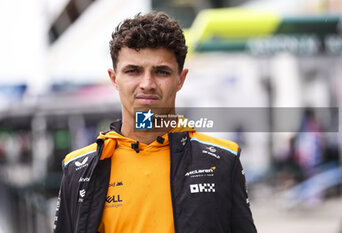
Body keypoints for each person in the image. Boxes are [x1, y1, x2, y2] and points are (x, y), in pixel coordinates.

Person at [53, 11, 257, 233]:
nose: (147, 83)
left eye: (161, 71)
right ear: (114, 79)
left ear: (181, 79)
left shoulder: (223, 160)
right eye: (133, 71)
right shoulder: (77, 168)